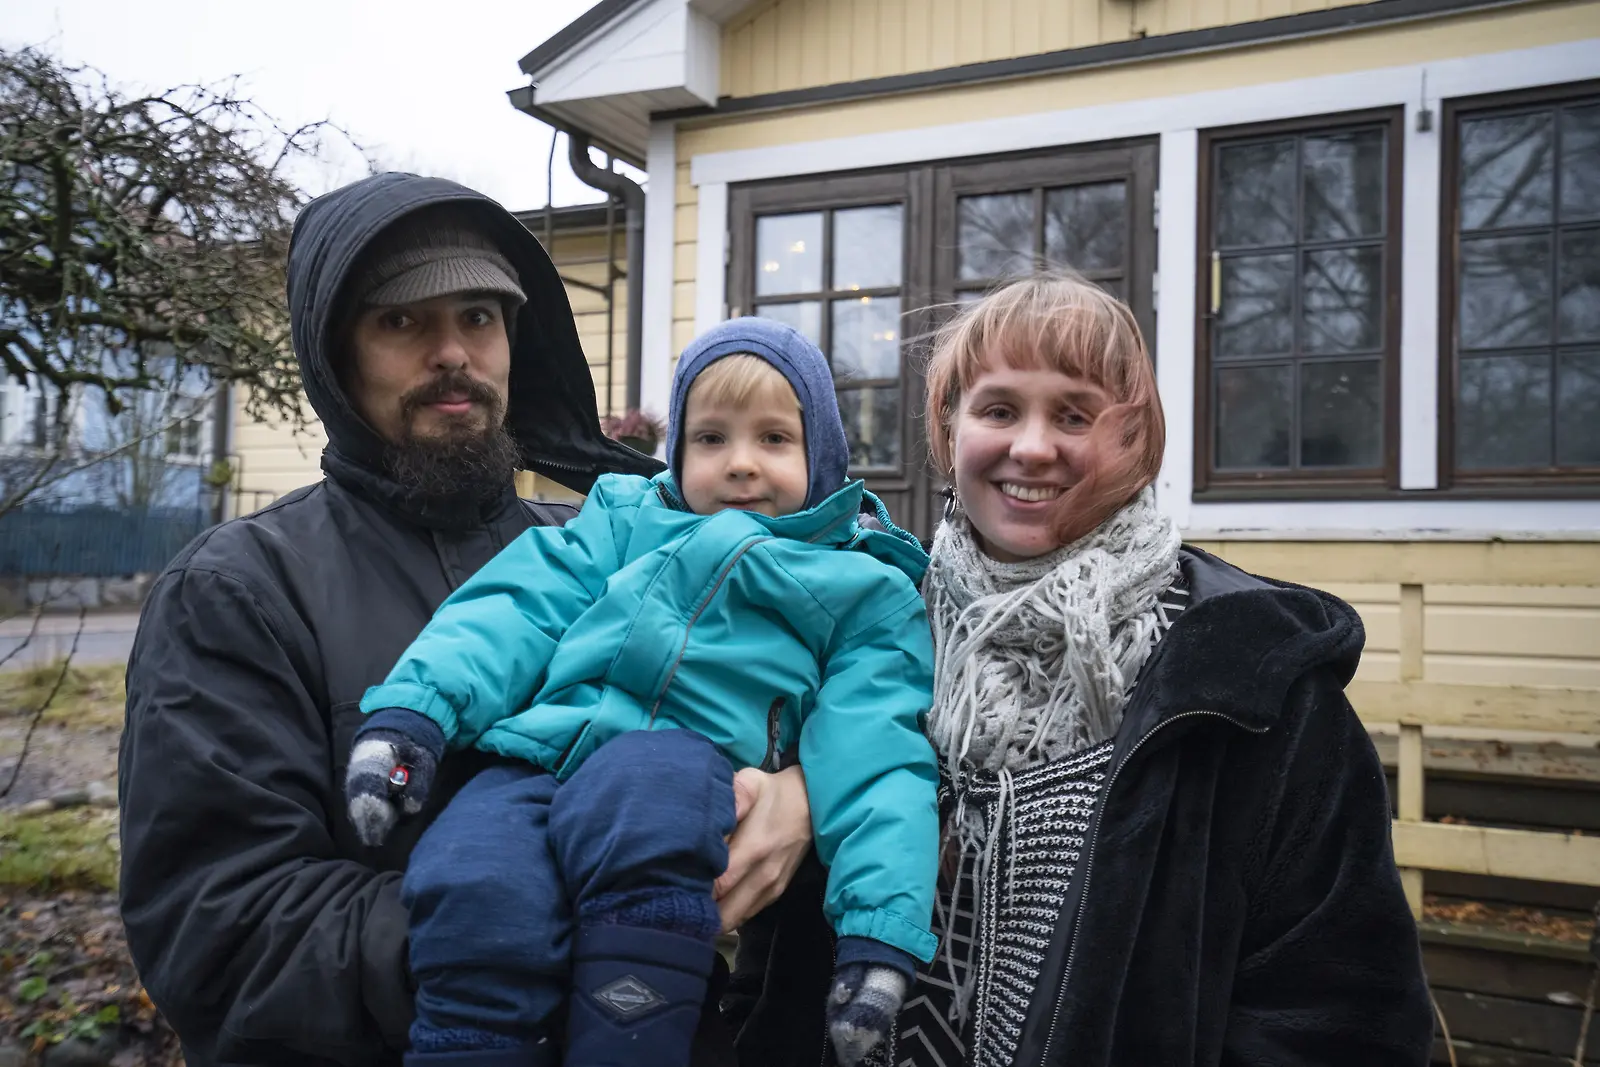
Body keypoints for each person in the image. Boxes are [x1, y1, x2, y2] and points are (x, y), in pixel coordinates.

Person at [117, 173, 814, 1067]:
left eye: (479, 316)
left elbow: (834, 729)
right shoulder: (239, 591)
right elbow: (217, 928)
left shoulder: (621, 556)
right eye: (401, 320)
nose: (452, 351)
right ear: (336, 354)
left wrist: (800, 797)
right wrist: (531, 935)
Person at [725, 272, 1435, 1067]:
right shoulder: (861, 629)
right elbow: (763, 972)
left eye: (1073, 415)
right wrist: (804, 785)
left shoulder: (1250, 679)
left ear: (1135, 438)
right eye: (999, 410)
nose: (1031, 447)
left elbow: (1340, 1015)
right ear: (950, 426)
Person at [343, 317, 939, 1067]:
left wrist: (876, 934)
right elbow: (514, 609)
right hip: (541, 766)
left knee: (648, 805)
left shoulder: (861, 588)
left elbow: (876, 752)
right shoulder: (621, 522)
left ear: (822, 458)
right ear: (678, 450)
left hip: (687, 783)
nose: (741, 464)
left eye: (774, 439)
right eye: (712, 438)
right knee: (469, 873)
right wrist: (412, 716)